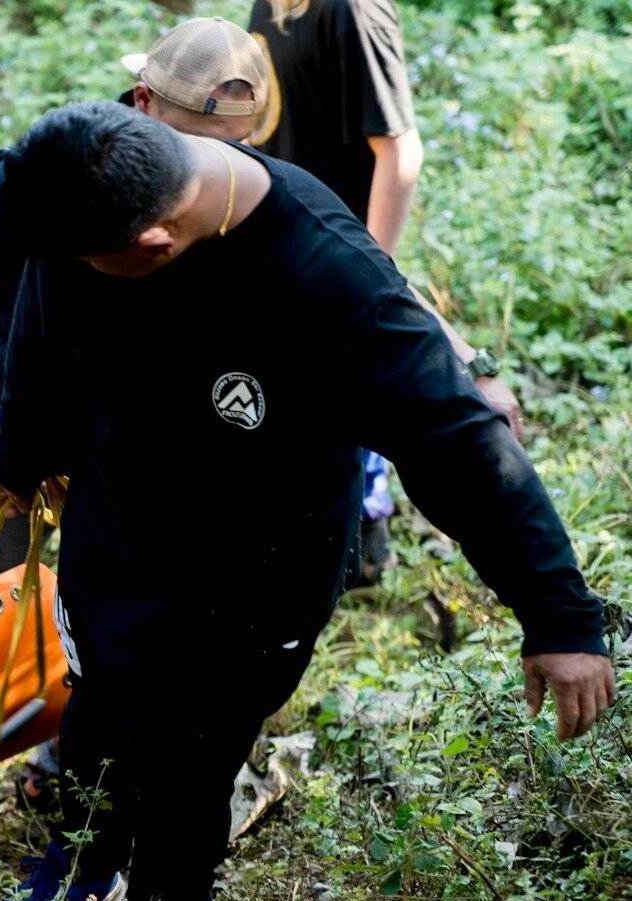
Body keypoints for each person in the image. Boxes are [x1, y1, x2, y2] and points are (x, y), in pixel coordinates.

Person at [0, 102, 616, 901]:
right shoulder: (94, 209)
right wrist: (20, 454)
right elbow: (42, 333)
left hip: (260, 565)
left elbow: (460, 441)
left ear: (158, 242)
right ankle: (82, 862)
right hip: (119, 522)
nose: (73, 270)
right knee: (98, 704)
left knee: (195, 746)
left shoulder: (327, 274)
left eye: (94, 260)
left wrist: (560, 616)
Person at [246, 0, 521, 580]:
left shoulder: (353, 11)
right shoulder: (272, 5)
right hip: (285, 237)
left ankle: (374, 534)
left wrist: (371, 269)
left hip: (335, 245)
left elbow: (399, 148)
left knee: (374, 386)